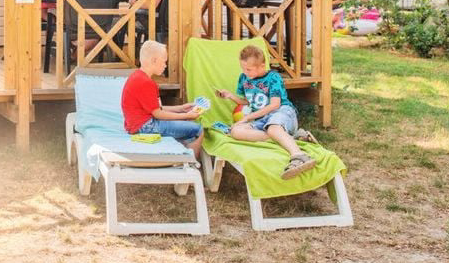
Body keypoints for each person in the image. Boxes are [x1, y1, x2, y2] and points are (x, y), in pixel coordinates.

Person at [216, 44, 317, 179]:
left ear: (262, 66)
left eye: (249, 69)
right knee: (235, 131)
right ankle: (291, 138)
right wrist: (229, 95)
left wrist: (247, 117)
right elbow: (247, 101)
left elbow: (275, 105)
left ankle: (299, 156)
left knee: (273, 129)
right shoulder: (244, 78)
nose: (245, 72)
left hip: (281, 112)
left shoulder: (273, 78)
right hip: (262, 119)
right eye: (243, 68)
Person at [121, 40, 203, 157]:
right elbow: (158, 114)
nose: (165, 65)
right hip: (146, 127)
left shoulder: (136, 77)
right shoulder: (146, 82)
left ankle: (183, 153)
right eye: (164, 61)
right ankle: (191, 160)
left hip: (137, 126)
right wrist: (186, 116)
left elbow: (156, 108)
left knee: (185, 124)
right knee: (198, 129)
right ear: (154, 60)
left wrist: (181, 108)